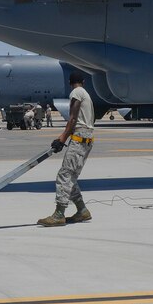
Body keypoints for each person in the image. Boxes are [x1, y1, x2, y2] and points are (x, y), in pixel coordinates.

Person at [38, 71, 95, 227]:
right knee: (71, 177)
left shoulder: (76, 93)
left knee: (64, 175)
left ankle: (59, 214)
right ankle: (82, 210)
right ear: (83, 81)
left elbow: (73, 118)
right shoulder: (86, 94)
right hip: (86, 139)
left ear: (70, 83)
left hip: (79, 139)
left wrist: (62, 139)